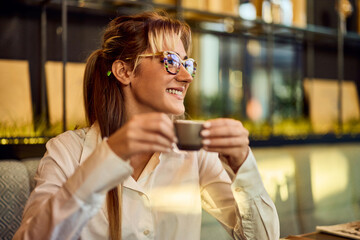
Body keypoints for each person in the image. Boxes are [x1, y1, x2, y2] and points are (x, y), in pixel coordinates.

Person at [14, 11, 279, 240]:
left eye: (187, 64)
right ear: (124, 71)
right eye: (171, 61)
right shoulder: (67, 152)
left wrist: (243, 164)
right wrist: (109, 157)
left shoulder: (194, 153)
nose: (186, 77)